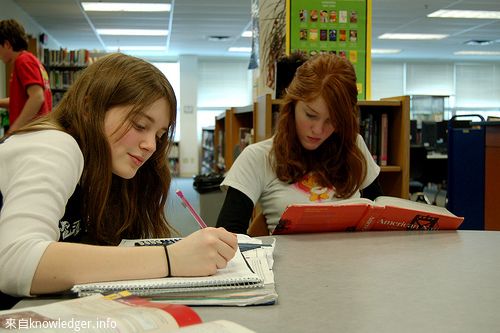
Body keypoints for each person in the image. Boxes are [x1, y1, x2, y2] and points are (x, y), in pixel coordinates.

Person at [0, 53, 237, 307]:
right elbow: (14, 262)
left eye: (159, 135)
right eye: (139, 125)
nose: (151, 146)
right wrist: (170, 259)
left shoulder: (105, 167)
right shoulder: (54, 144)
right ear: (90, 108)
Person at [216, 54, 382, 234]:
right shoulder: (258, 156)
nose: (318, 130)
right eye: (311, 115)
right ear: (292, 105)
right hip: (287, 261)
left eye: (332, 120)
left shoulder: (353, 144)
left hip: (352, 259)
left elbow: (382, 212)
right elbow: (227, 235)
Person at [0, 19, 52, 134]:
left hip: (31, 132)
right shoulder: (31, 60)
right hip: (36, 130)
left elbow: (37, 97)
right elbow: (22, 99)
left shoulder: (23, 61)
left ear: (7, 44)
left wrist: (14, 129)